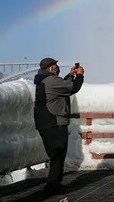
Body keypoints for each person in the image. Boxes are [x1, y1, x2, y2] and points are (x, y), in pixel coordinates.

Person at [33, 58, 84, 195]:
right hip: (54, 122)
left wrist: (70, 75)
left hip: (47, 122)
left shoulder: (45, 80)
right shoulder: (51, 80)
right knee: (58, 154)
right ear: (49, 68)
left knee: (57, 155)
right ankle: (52, 185)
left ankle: (53, 183)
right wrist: (79, 75)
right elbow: (73, 87)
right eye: (54, 66)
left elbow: (63, 86)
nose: (56, 68)